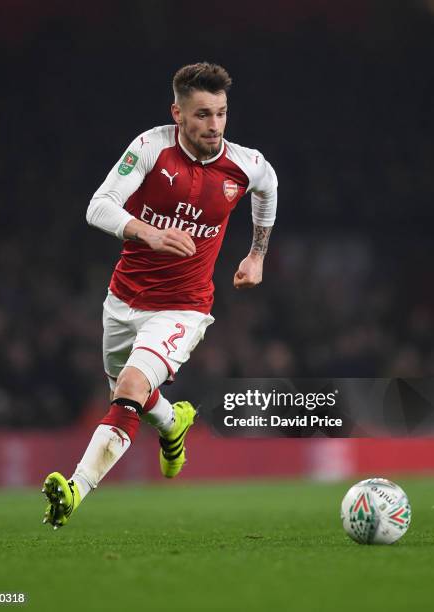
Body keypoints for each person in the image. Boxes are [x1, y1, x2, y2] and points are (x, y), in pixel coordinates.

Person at [42, 62, 278, 529]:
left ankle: (73, 491)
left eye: (221, 113)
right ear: (178, 113)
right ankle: (173, 424)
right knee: (129, 394)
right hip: (123, 299)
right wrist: (147, 232)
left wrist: (257, 255)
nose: (214, 126)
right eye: (203, 115)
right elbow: (98, 206)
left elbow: (268, 189)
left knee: (130, 388)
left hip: (183, 307)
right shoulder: (150, 148)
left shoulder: (245, 164)